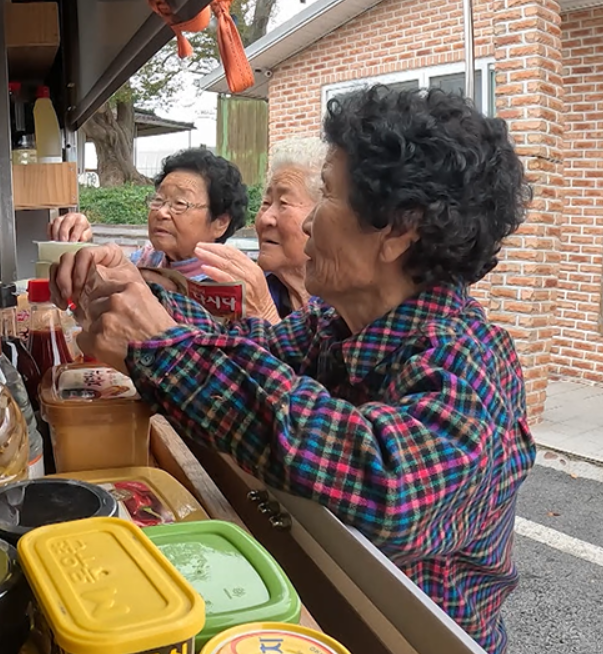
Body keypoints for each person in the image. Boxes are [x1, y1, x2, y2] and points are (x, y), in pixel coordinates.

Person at [51, 86, 534, 653]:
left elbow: (387, 484)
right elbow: (244, 344)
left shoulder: (473, 361)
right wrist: (137, 293)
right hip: (312, 610)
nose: (304, 226)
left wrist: (159, 341)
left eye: (327, 195)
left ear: (400, 230)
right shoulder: (335, 326)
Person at [49, 149, 247, 282]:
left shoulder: (229, 283)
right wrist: (80, 243)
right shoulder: (146, 260)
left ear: (220, 222)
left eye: (179, 203)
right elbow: (104, 277)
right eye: (158, 200)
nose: (161, 212)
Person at [196, 137, 324, 321]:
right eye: (266, 203)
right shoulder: (247, 290)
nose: (265, 218)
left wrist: (265, 313)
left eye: (284, 203)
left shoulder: (347, 306)